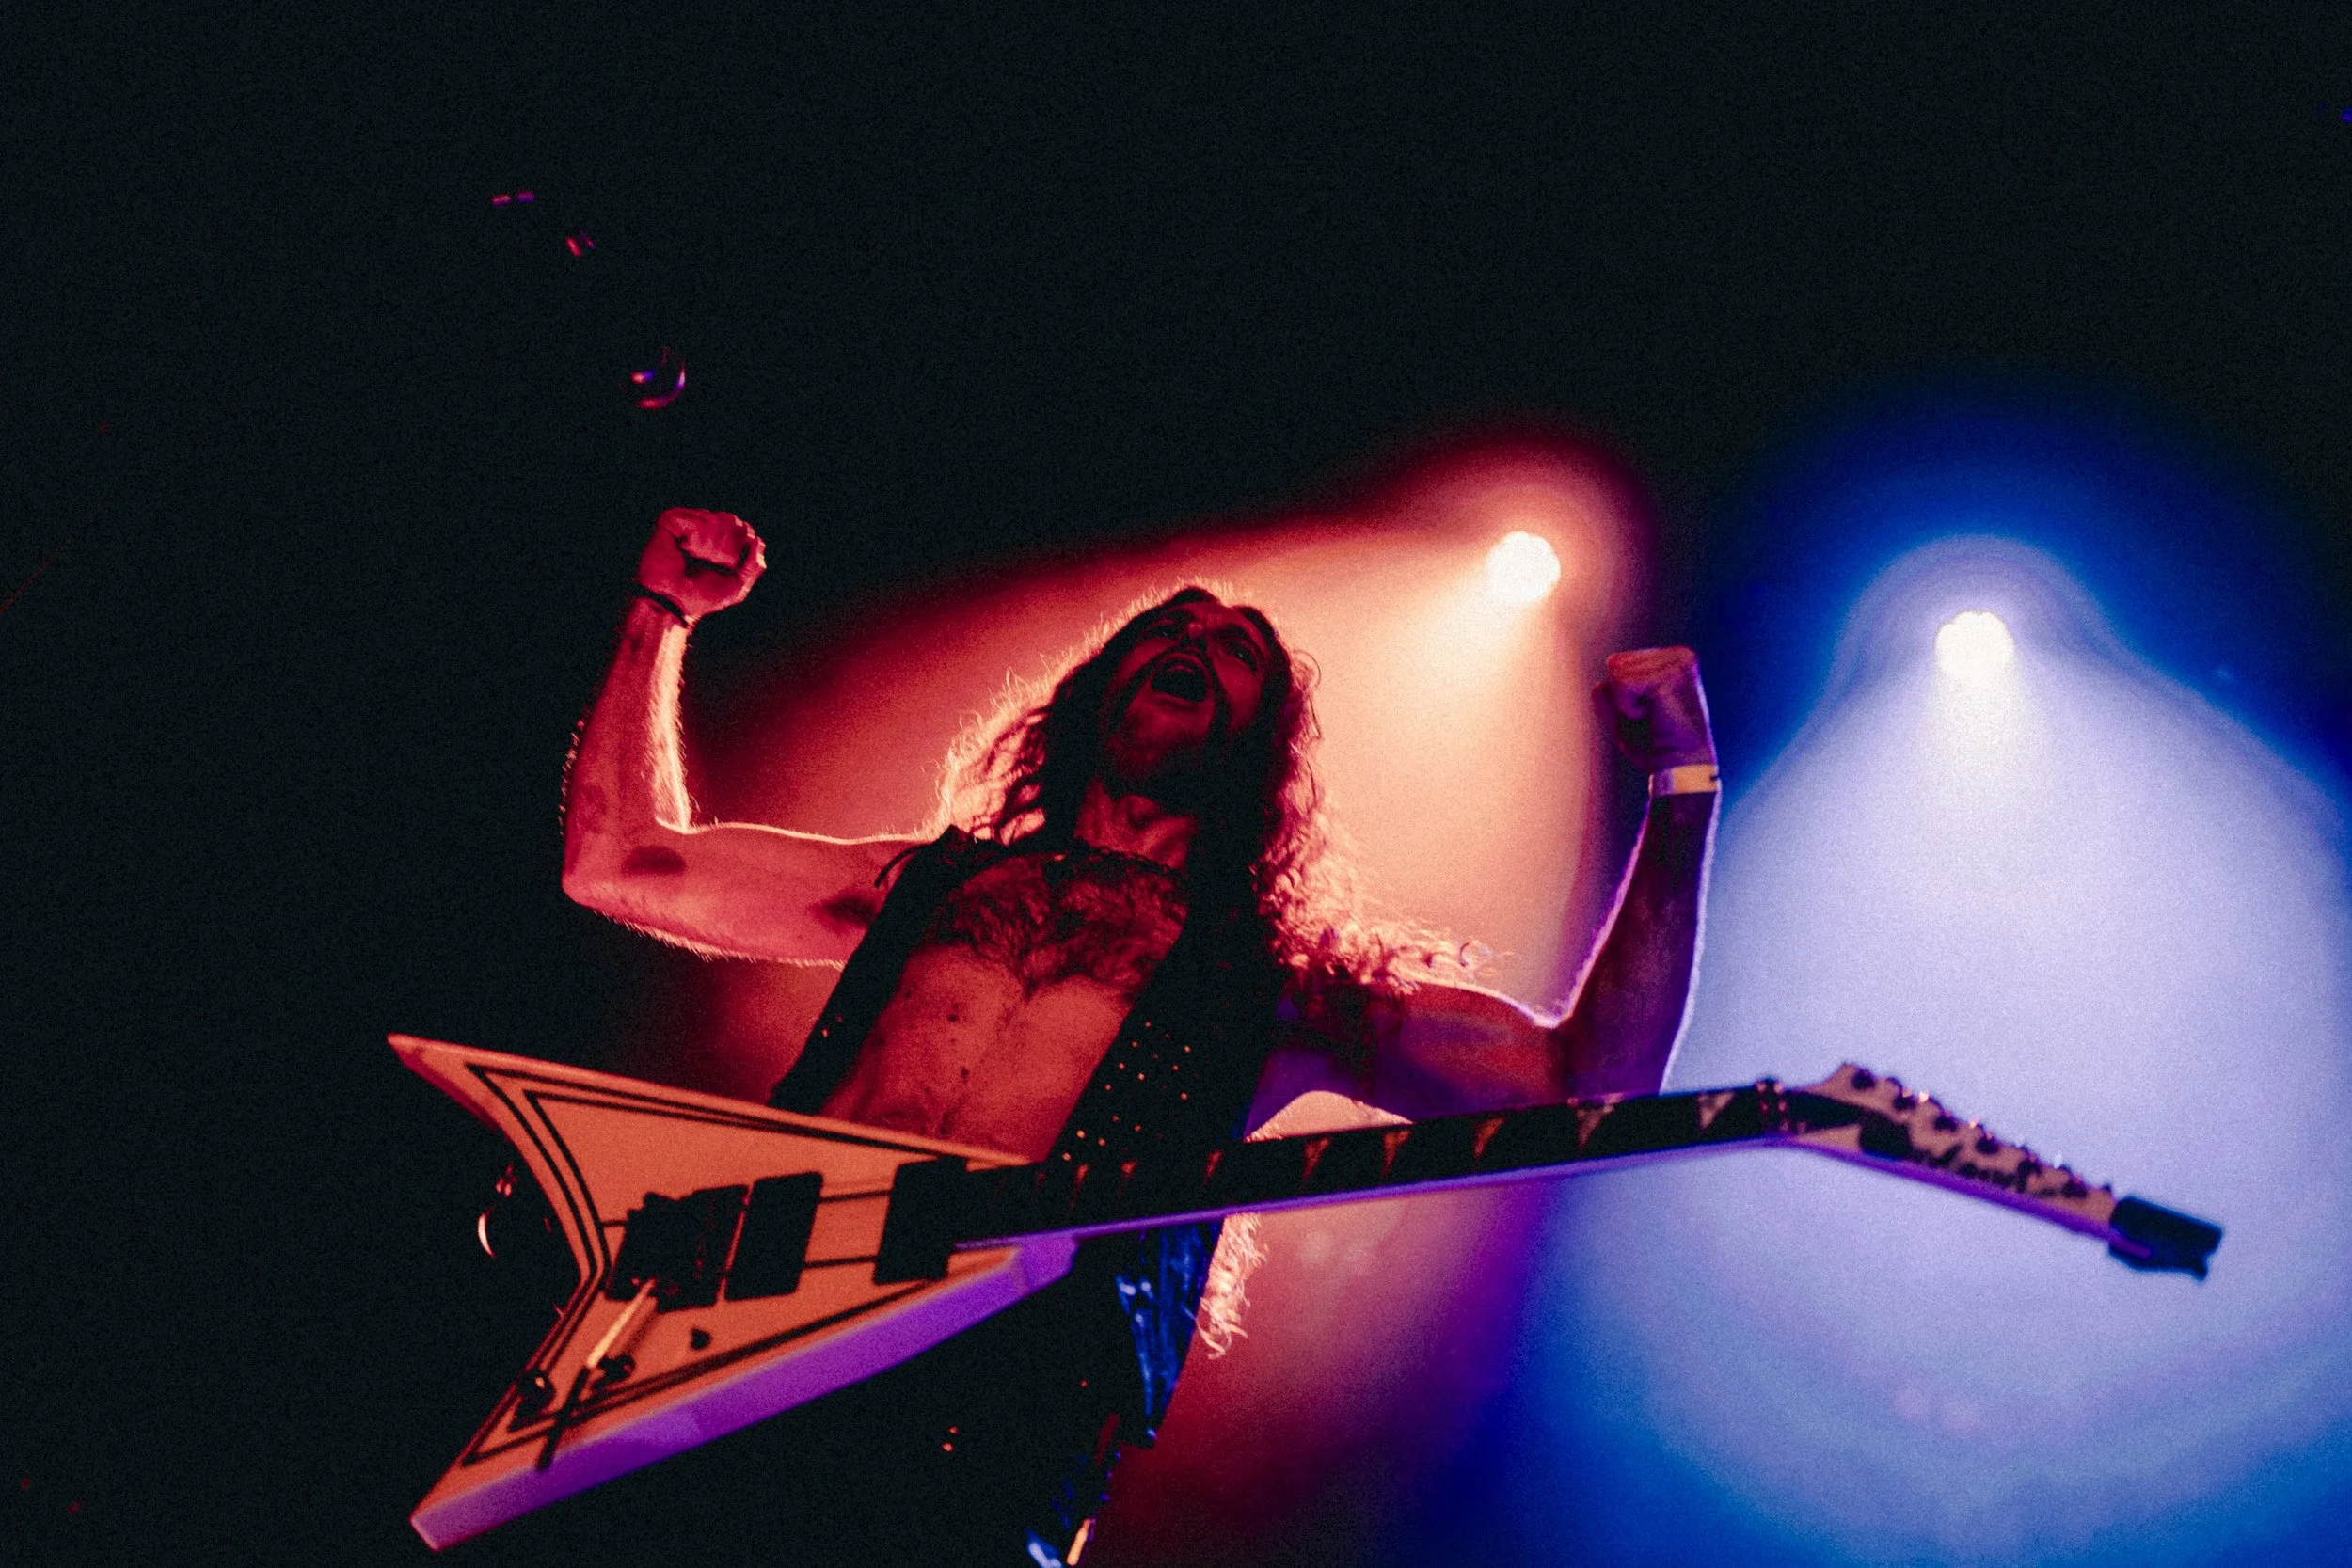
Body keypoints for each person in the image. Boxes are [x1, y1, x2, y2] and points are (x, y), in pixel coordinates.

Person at [556, 506, 1719, 1565]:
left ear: (1261, 748)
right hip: (755, 1355)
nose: (1197, 637)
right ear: (1096, 691)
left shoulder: (1277, 986)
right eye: (1173, 626)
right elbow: (619, 860)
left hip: (995, 1420)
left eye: (1236, 650)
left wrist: (1682, 784)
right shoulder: (921, 885)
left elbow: (1592, 1078)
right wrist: (660, 614)